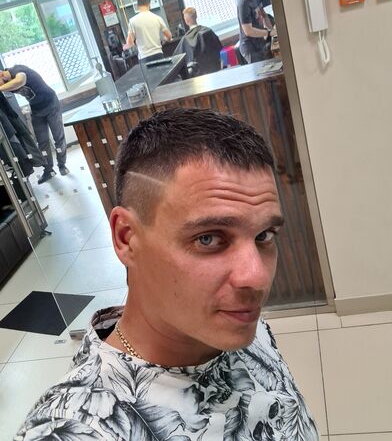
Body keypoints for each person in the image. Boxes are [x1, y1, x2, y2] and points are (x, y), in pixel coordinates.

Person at [16, 108, 319, 440]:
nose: (256, 277)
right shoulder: (79, 426)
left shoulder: (241, 323)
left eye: (264, 236)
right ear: (126, 238)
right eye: (208, 239)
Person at [0, 65, 69, 184]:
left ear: (1, 75)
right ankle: (48, 170)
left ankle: (62, 165)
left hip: (51, 104)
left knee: (58, 138)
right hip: (36, 110)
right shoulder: (6, 85)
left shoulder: (18, 69)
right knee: (42, 142)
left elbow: (20, 81)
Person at [237, 0, 276, 64]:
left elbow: (264, 15)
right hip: (250, 47)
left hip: (259, 42)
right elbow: (248, 31)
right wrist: (268, 33)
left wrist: (272, 30)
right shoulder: (243, 4)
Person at [124, 0, 172, 64]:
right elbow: (169, 36)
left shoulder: (132, 21)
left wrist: (126, 46)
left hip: (144, 57)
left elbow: (130, 43)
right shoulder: (158, 18)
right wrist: (166, 39)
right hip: (158, 54)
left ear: (137, 6)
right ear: (149, 4)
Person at [174, 7, 222, 76]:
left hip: (199, 75)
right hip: (215, 69)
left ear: (186, 21)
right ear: (196, 16)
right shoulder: (208, 31)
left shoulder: (185, 39)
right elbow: (219, 48)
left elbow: (177, 59)